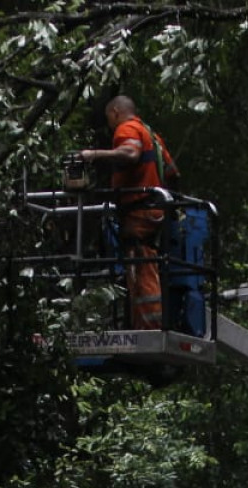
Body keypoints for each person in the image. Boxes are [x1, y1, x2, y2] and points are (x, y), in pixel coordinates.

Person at [75, 95, 175, 329]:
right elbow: (173, 172)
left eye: (109, 117)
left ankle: (149, 326)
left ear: (115, 112)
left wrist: (94, 154)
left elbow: (130, 154)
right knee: (145, 262)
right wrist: (172, 207)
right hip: (154, 210)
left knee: (140, 267)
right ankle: (145, 322)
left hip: (139, 210)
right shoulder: (153, 136)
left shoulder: (126, 129)